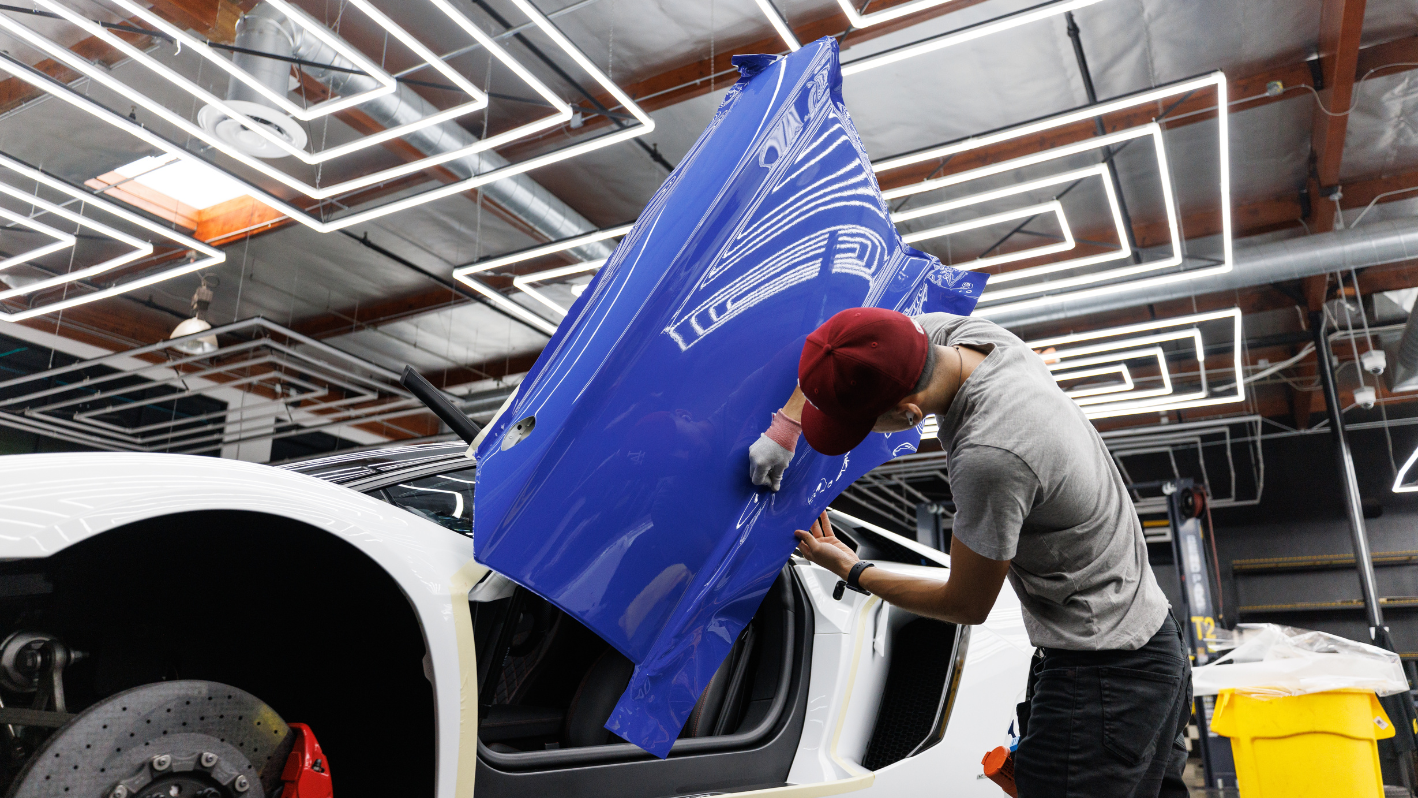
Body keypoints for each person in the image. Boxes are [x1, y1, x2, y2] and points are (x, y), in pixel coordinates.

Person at [749, 307, 1191, 798]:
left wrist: (854, 572)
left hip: (1106, 677)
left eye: (859, 425)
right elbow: (842, 338)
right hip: (1147, 639)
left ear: (910, 415)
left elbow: (966, 604)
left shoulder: (991, 456)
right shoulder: (966, 338)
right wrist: (786, 427)